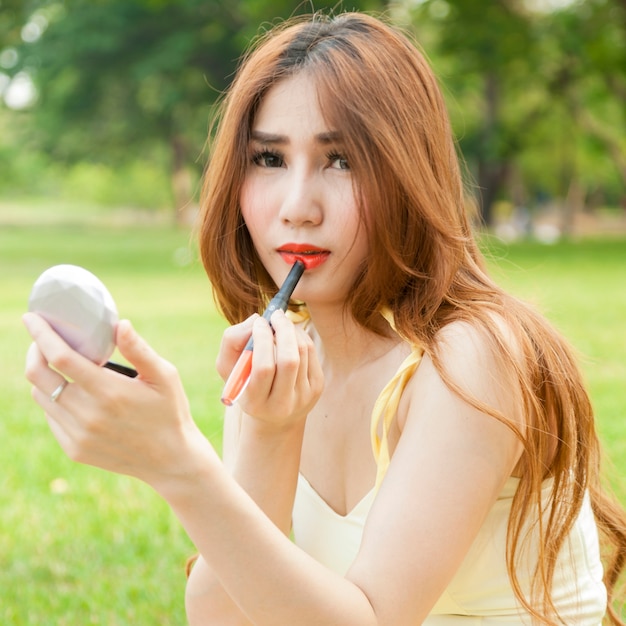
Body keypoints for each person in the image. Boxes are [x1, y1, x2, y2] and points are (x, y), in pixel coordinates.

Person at [23, 11, 626, 626]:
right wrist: (269, 432)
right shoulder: (279, 362)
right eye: (269, 158)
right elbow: (223, 618)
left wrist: (180, 466)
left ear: (406, 172)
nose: (298, 207)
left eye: (341, 160)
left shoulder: (475, 355)